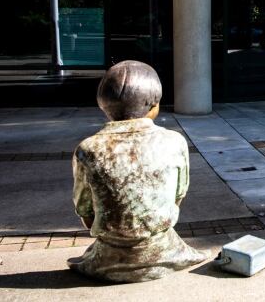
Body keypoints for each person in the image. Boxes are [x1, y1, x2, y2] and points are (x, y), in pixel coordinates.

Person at [68, 60, 207, 282]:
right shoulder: (174, 142)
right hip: (164, 250)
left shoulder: (87, 149)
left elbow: (84, 210)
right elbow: (177, 197)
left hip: (107, 258)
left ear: (103, 106)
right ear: (154, 105)